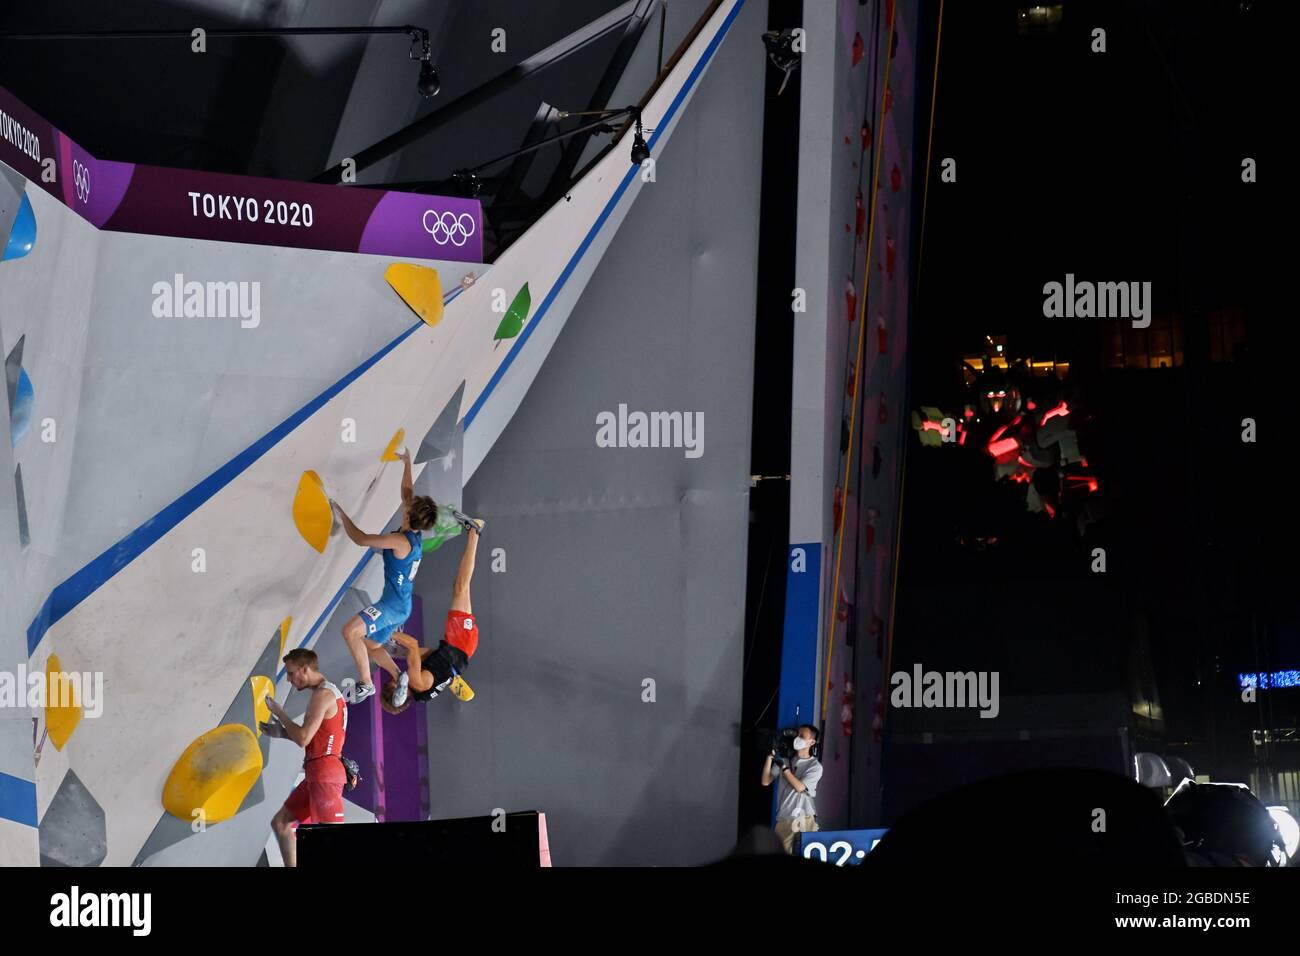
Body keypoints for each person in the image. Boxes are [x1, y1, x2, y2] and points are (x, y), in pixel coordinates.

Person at [333, 448, 443, 704]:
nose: (407, 502)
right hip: (401, 606)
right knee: (371, 646)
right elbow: (407, 493)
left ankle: (367, 684)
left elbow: (362, 539)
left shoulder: (400, 541)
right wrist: (407, 462)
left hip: (392, 607)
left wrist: (341, 515)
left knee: (350, 633)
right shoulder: (413, 533)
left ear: (409, 514)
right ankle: (397, 675)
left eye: (409, 506)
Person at [382, 525, 483, 713]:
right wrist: (386, 631)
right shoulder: (415, 681)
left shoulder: (420, 694)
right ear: (400, 692)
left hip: (447, 657)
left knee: (408, 655)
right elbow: (413, 644)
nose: (393, 679)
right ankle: (474, 532)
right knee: (461, 587)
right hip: (460, 644)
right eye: (392, 683)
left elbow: (427, 657)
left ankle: (452, 677)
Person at [264, 648, 348, 867]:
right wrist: (283, 733)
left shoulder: (323, 695)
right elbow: (318, 738)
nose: (289, 679)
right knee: (281, 824)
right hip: (319, 772)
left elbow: (303, 738)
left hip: (324, 775)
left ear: (304, 669)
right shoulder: (329, 693)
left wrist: (280, 713)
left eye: (291, 673)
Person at [761, 725, 823, 855]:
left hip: (805, 817)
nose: (797, 738)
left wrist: (784, 768)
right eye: (797, 735)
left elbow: (800, 787)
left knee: (808, 854)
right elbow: (766, 781)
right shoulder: (785, 760)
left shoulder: (815, 766)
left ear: (812, 742)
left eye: (802, 736)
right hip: (785, 817)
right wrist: (769, 759)